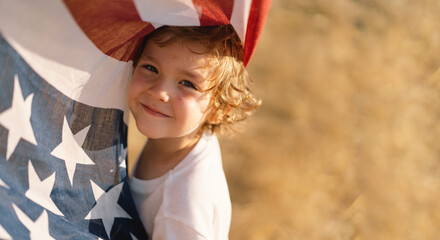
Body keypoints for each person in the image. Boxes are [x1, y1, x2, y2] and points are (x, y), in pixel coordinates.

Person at [127, 25, 261, 239]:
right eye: (151, 68)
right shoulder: (183, 135)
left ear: (217, 110)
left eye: (187, 83)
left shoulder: (182, 207)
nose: (159, 92)